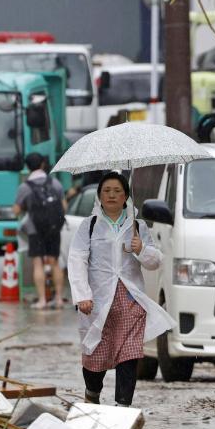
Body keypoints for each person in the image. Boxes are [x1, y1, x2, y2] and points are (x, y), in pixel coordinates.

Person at [68, 172, 174, 407]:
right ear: (99, 196)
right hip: (97, 302)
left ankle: (123, 407)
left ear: (126, 195)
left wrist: (142, 248)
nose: (112, 195)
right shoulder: (90, 226)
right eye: (107, 191)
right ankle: (92, 394)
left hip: (130, 300)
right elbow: (77, 260)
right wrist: (82, 296)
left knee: (129, 355)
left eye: (117, 191)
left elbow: (155, 261)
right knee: (95, 357)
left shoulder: (138, 226)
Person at [14, 152, 67, 310]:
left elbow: (16, 210)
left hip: (34, 229)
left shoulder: (24, 187)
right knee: (55, 262)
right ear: (43, 164)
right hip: (54, 227)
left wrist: (24, 208)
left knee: (38, 263)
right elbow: (64, 207)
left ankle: (42, 300)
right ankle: (58, 299)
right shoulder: (55, 183)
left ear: (27, 166)